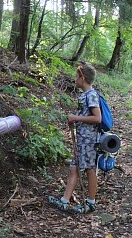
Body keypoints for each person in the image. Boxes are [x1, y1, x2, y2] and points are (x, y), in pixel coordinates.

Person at [48, 62, 101, 214]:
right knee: (74, 168)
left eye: (76, 76)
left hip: (89, 140)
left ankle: (91, 202)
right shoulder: (85, 95)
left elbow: (97, 118)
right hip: (82, 139)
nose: (75, 79)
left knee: (90, 169)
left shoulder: (91, 95)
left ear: (82, 78)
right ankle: (64, 201)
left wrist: (76, 118)